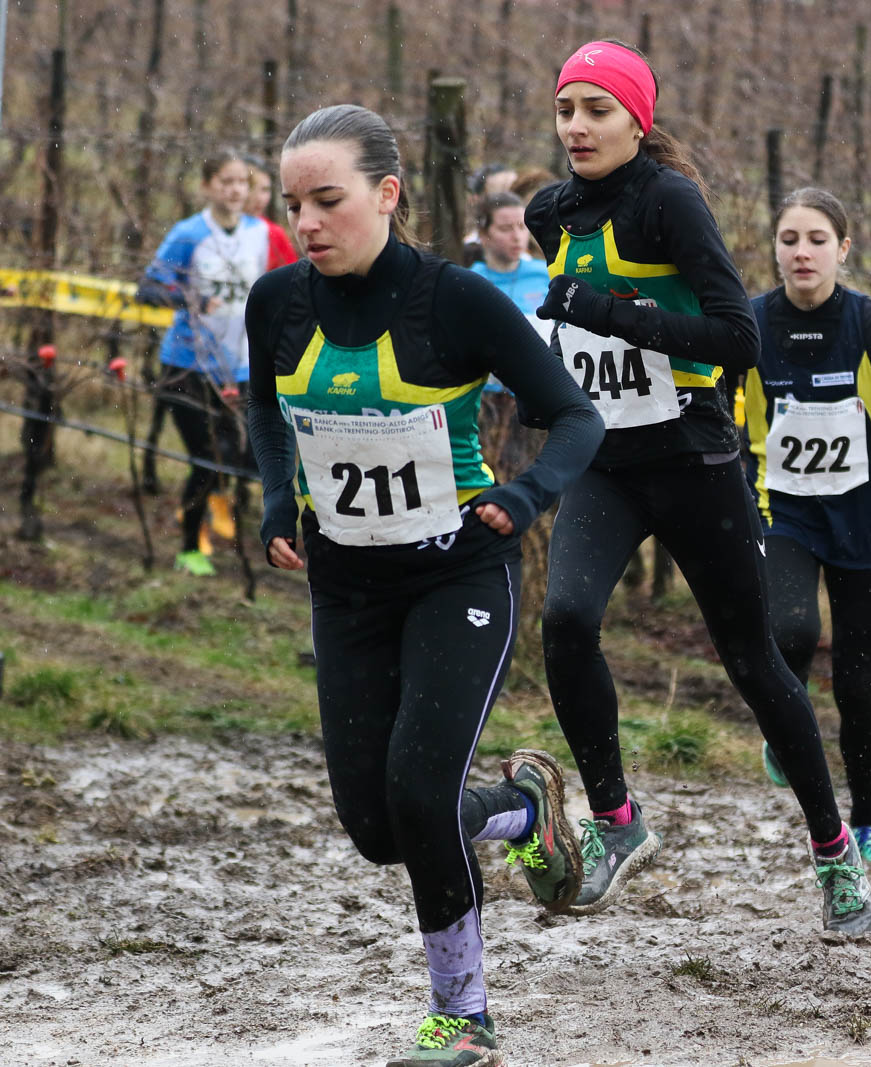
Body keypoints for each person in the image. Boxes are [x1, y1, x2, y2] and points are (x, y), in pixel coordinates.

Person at [245, 104, 605, 1066]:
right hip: (346, 584)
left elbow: (576, 417)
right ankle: (524, 807)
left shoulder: (456, 302)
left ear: (387, 194)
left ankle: (463, 1016)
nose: (307, 222)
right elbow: (266, 410)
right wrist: (278, 499)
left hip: (459, 573)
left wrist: (526, 495)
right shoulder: (276, 302)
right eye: (294, 203)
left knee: (418, 787)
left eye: (328, 200)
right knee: (377, 827)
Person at [528, 39, 871, 933]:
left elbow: (737, 339)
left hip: (692, 459)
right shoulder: (549, 213)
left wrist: (606, 313)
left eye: (597, 110)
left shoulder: (669, 202)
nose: (577, 127)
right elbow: (571, 334)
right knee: (565, 620)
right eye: (566, 109)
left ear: (637, 121)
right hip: (606, 462)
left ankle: (834, 849)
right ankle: (617, 821)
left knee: (754, 661)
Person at [742, 186, 871, 865]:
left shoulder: (870, 322)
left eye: (817, 240)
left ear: (843, 249)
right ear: (775, 249)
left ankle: (868, 821)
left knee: (857, 681)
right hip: (784, 511)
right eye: (789, 239)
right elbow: (713, 407)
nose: (802, 252)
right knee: (792, 631)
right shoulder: (751, 324)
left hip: (862, 517)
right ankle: (783, 725)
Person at [138, 149, 271, 576]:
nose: (235, 190)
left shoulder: (259, 233)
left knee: (238, 455)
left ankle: (212, 524)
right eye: (226, 182)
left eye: (241, 182)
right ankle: (189, 547)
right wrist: (189, 299)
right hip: (187, 365)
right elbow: (147, 289)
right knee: (209, 456)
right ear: (207, 186)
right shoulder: (189, 234)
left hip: (241, 365)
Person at [470, 190, 550, 339]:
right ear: (483, 234)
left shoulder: (546, 273)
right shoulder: (470, 282)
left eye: (522, 227)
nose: (517, 237)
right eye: (505, 229)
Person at [243, 151, 300, 270]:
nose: (259, 198)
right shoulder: (209, 227)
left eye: (265, 189)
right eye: (251, 188)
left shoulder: (273, 233)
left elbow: (293, 276)